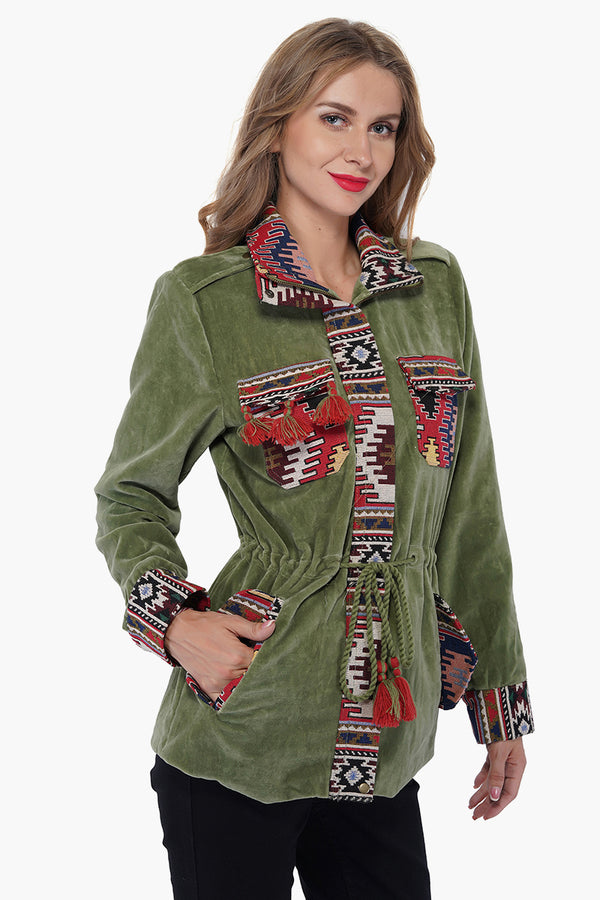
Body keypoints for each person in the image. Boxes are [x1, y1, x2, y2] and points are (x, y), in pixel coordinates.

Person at [95, 17, 533, 900]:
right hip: (244, 732)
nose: (361, 151)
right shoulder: (206, 301)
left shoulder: (435, 288)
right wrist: (173, 622)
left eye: (384, 127)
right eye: (335, 118)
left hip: (389, 742)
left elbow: (470, 511)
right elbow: (130, 495)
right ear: (278, 124)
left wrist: (500, 701)